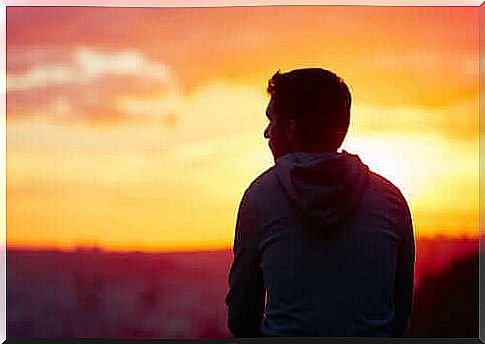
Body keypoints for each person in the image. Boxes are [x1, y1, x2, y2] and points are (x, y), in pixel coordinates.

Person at [225, 68, 415, 337]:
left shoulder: (259, 197)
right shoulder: (391, 200)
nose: (266, 132)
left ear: (290, 129)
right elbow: (400, 312)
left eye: (272, 120)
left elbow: (242, 317)